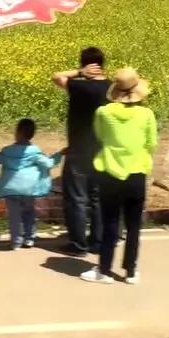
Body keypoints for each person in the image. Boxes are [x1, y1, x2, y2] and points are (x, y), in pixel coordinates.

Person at [80, 68, 157, 285]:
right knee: (134, 225)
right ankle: (131, 271)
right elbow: (151, 143)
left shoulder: (103, 113)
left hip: (110, 172)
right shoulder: (147, 114)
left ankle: (104, 270)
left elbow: (101, 136)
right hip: (136, 173)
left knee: (110, 222)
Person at [53, 48, 109, 256]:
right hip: (102, 149)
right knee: (97, 197)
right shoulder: (111, 88)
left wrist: (79, 72)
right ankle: (98, 242)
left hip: (78, 149)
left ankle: (78, 245)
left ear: (84, 64)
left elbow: (56, 77)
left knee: (76, 198)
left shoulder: (77, 86)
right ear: (102, 64)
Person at [0, 119, 63, 250]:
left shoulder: (7, 152)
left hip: (11, 189)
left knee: (14, 216)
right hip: (28, 189)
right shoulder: (35, 153)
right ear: (32, 134)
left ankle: (16, 242)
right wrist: (59, 154)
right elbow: (49, 164)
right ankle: (29, 239)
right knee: (29, 213)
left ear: (17, 132)